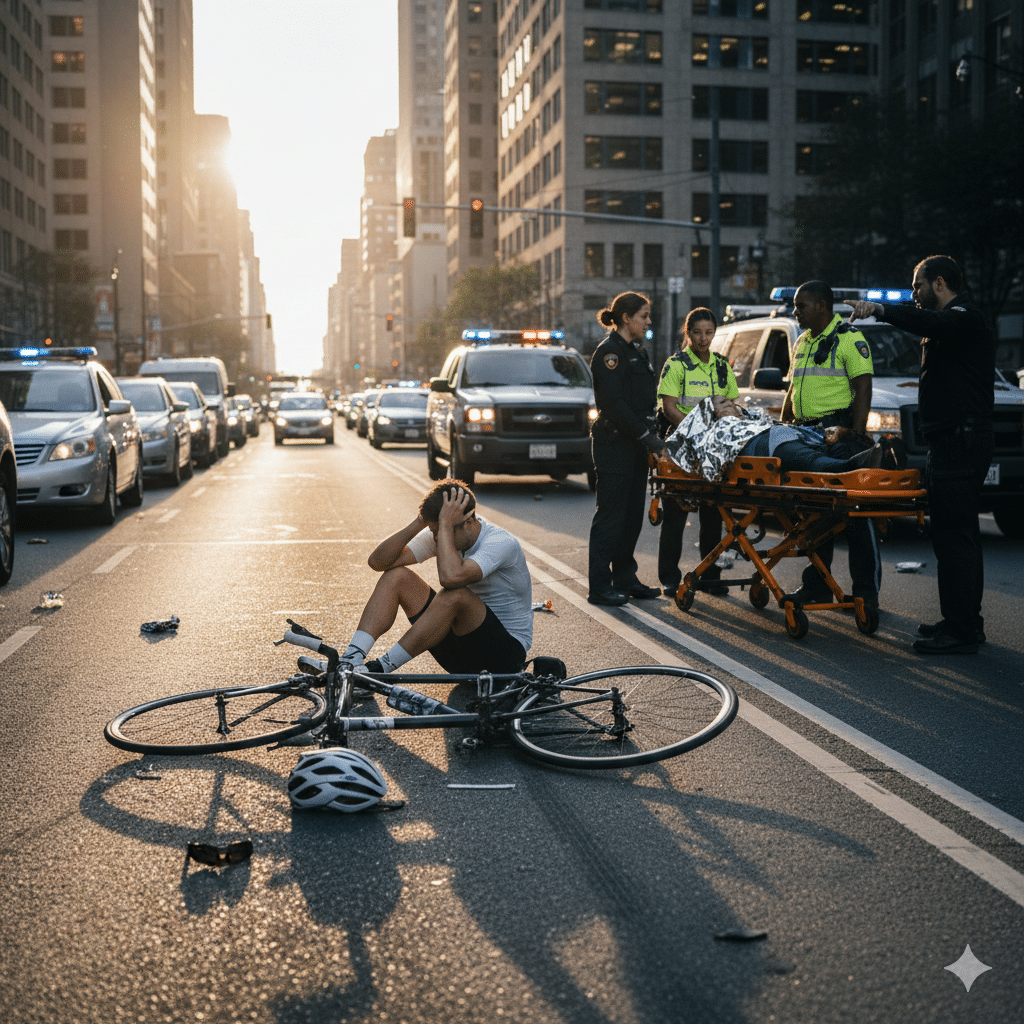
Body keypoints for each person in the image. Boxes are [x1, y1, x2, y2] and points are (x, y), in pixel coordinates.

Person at [849, 255, 994, 655]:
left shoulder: (964, 317)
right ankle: (961, 621)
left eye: (918, 285)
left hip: (960, 442)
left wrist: (880, 309)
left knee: (956, 537)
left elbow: (930, 323)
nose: (914, 293)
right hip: (950, 442)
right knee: (951, 536)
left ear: (940, 283)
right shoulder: (951, 323)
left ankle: (962, 630)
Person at [303, 480, 533, 677]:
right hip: (459, 656)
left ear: (470, 522)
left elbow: (451, 578)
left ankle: (378, 670)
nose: (437, 538)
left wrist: (443, 525)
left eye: (443, 531)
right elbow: (378, 562)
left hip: (502, 659)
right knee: (396, 576)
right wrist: (420, 521)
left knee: (456, 594)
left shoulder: (500, 542)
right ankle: (350, 660)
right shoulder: (441, 532)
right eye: (434, 531)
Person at [780, 280, 881, 610]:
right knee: (813, 514)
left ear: (822, 306)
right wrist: (783, 426)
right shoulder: (803, 341)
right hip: (805, 436)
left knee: (855, 514)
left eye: (801, 306)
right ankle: (818, 586)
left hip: (837, 436)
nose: (795, 312)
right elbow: (792, 390)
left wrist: (856, 434)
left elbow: (863, 387)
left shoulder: (849, 338)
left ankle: (866, 592)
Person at [588, 291, 664, 606]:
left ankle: (624, 577)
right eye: (643, 316)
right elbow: (614, 404)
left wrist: (651, 433)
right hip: (615, 444)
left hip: (635, 446)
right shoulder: (610, 353)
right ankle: (599, 586)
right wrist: (647, 435)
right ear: (626, 318)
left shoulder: (635, 351)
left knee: (632, 516)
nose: (648, 321)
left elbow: (643, 400)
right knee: (611, 517)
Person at [657, 308, 738, 597]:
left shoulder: (721, 365)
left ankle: (709, 576)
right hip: (683, 446)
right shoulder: (676, 364)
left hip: (714, 449)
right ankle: (669, 578)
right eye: (697, 333)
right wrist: (696, 431)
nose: (703, 339)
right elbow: (669, 408)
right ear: (688, 333)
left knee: (713, 514)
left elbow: (732, 405)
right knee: (676, 515)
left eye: (708, 333)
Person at [667, 395, 889, 481]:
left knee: (825, 449)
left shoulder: (751, 418)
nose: (731, 405)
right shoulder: (720, 428)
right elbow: (709, 454)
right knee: (806, 457)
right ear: (711, 414)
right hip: (768, 445)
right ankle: (850, 467)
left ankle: (880, 457)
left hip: (779, 438)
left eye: (729, 401)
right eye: (722, 404)